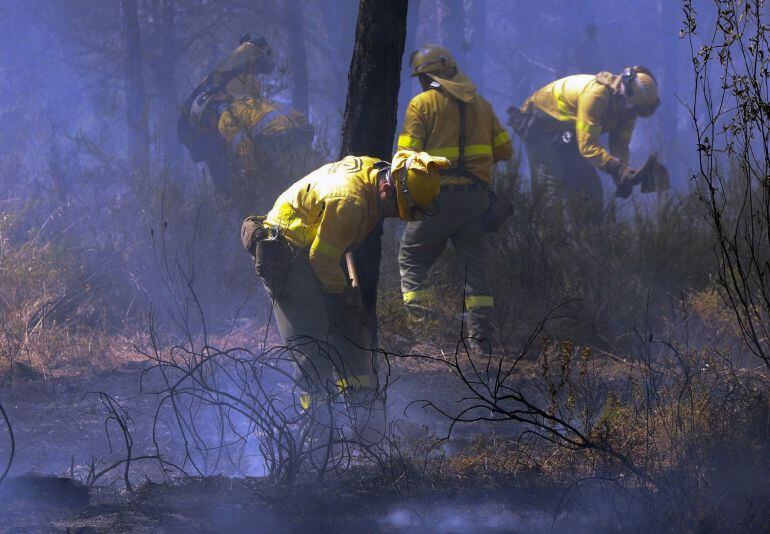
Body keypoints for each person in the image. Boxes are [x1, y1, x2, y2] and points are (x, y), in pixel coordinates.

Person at [245, 150, 449, 442]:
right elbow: (321, 261)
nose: (394, 214)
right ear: (387, 188)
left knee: (350, 339)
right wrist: (347, 299)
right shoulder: (350, 201)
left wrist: (347, 304)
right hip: (288, 253)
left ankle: (368, 429)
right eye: (397, 207)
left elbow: (334, 245)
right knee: (313, 347)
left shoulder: (373, 173)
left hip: (318, 247)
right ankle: (316, 441)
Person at [396, 44, 513, 349]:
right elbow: (504, 150)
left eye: (421, 77)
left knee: (411, 257)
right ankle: (482, 340)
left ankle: (424, 334)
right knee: (474, 268)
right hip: (476, 199)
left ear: (428, 77)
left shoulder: (421, 105)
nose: (420, 82)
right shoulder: (482, 105)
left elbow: (406, 155)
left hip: (438, 197)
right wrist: (474, 164)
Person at [178, 34, 314, 212]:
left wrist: (251, 176)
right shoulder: (238, 94)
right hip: (294, 134)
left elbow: (243, 144)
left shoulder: (224, 113)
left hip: (274, 144)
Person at [509, 66, 660, 203]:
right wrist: (617, 169)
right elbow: (587, 145)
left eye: (637, 111)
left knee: (589, 192)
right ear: (623, 92)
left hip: (567, 134)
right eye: (631, 108)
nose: (631, 114)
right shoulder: (596, 96)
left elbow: (620, 145)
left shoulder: (628, 111)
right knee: (550, 190)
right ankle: (545, 232)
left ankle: (589, 233)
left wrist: (621, 176)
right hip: (540, 125)